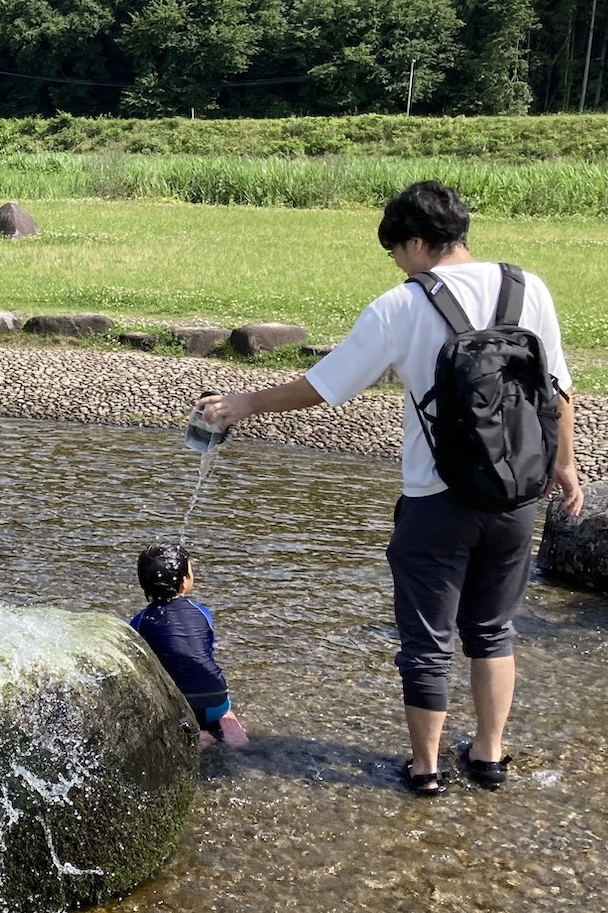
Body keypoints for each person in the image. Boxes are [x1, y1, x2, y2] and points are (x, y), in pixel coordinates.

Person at [201, 181, 582, 797]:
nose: (398, 265)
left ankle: (427, 768)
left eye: (396, 252)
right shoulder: (527, 287)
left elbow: (325, 387)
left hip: (437, 498)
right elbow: (557, 390)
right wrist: (564, 465)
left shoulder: (401, 305)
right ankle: (488, 756)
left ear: (415, 241)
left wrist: (244, 402)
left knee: (427, 639)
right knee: (492, 630)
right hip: (516, 493)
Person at [131, 543, 249, 749]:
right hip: (216, 697)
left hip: (181, 704)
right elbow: (204, 652)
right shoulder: (203, 613)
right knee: (216, 698)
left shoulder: (140, 621)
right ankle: (227, 729)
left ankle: (196, 736)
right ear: (184, 582)